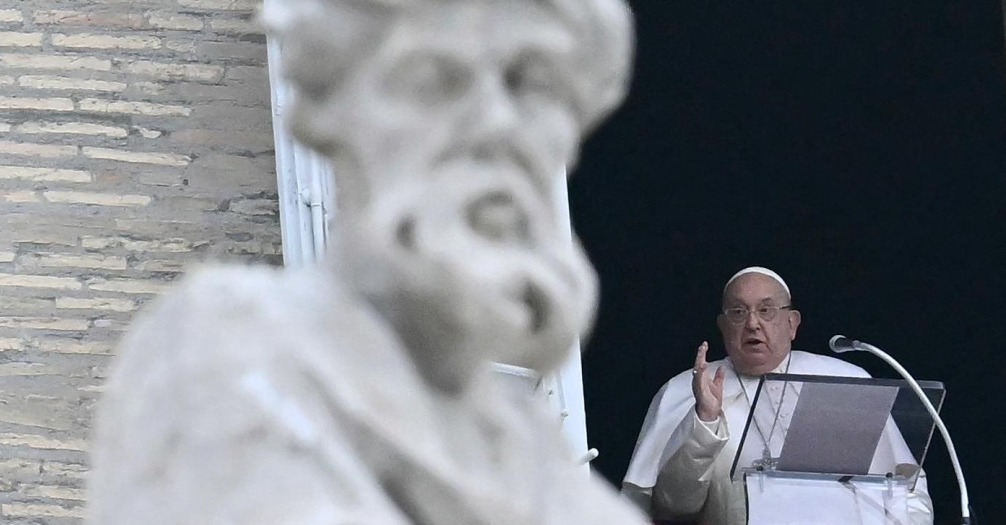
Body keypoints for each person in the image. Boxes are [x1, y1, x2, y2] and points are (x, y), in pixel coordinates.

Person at [88, 0, 650, 523]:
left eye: (531, 84)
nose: (496, 122)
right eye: (432, 78)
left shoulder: (534, 457)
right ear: (327, 110)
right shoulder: (231, 348)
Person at [621, 267, 933, 524]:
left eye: (766, 310)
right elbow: (671, 508)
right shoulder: (684, 390)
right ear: (722, 326)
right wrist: (705, 421)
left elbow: (907, 489)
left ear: (792, 323)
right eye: (739, 312)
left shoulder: (844, 380)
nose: (753, 323)